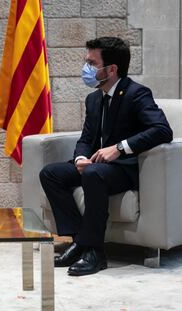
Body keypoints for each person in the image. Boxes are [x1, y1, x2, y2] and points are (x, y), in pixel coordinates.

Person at [39, 37, 173, 276]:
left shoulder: (136, 93)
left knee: (93, 173)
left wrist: (119, 148)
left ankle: (95, 253)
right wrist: (80, 158)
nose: (86, 68)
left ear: (111, 69)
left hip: (125, 168)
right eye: (86, 61)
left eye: (92, 63)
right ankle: (80, 240)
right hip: (96, 168)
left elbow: (162, 130)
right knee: (51, 174)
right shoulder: (94, 99)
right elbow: (86, 138)